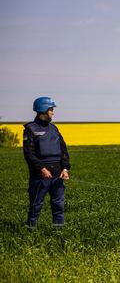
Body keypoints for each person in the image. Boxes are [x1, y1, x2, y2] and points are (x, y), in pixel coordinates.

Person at [23, 96, 71, 229]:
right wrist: (42, 169)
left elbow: (63, 150)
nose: (53, 112)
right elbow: (29, 153)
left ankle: (59, 231)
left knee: (58, 204)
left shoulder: (54, 129)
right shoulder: (30, 129)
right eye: (51, 109)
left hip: (57, 173)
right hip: (40, 175)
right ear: (43, 110)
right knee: (36, 204)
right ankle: (30, 231)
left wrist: (65, 168)